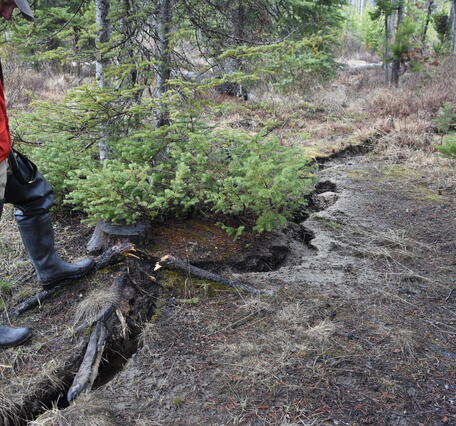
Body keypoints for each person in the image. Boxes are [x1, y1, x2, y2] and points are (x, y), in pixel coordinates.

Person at [0, 0, 94, 349]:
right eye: (8, 5)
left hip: (3, 150)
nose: (9, 15)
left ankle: (50, 269)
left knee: (35, 194)